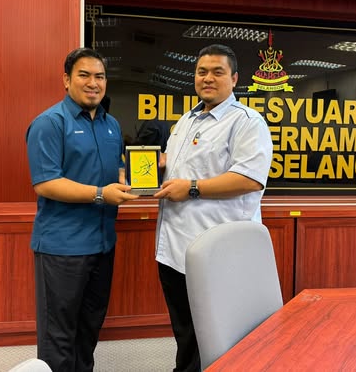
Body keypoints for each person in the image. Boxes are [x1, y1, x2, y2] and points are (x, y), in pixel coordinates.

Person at [153, 44, 273, 372]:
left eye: (217, 72)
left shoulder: (247, 122)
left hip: (215, 254)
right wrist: (149, 168)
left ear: (234, 79)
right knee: (186, 335)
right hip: (174, 252)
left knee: (215, 338)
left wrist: (192, 187)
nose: (208, 78)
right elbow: (177, 168)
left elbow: (250, 179)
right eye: (201, 72)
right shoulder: (185, 121)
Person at [26, 48, 139, 372]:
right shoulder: (49, 123)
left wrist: (131, 178)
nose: (93, 83)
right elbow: (46, 183)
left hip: (103, 244)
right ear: (66, 80)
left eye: (100, 76)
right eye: (84, 75)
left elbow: (115, 168)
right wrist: (102, 194)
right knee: (58, 337)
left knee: (89, 331)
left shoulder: (111, 125)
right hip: (63, 247)